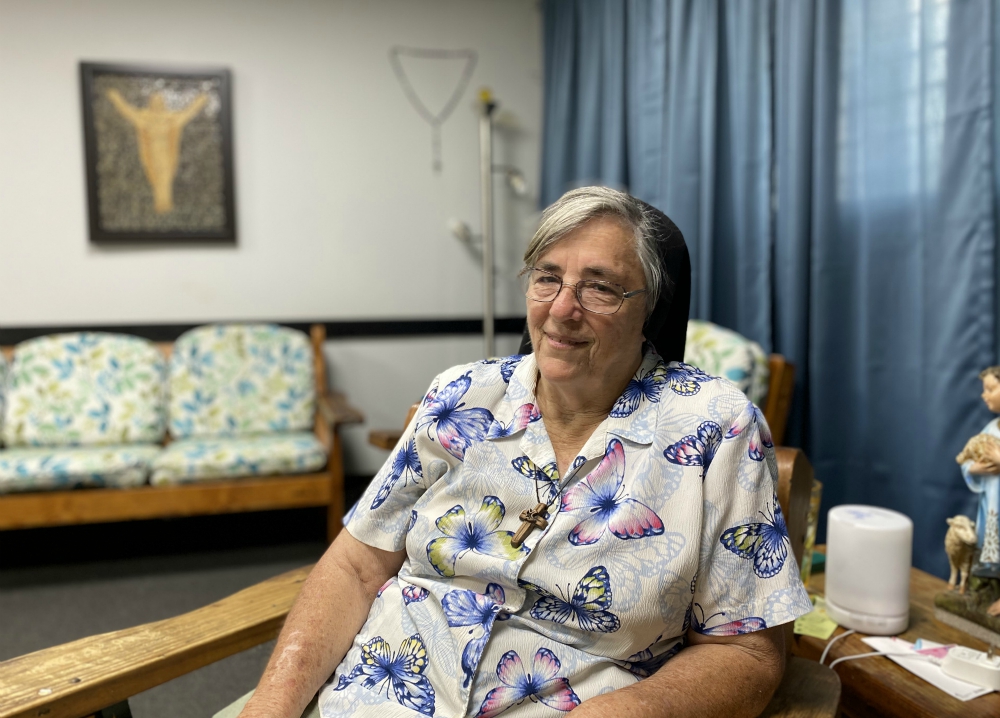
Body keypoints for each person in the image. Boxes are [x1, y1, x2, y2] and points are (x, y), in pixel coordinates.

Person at [224, 187, 812, 718]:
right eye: (547, 277)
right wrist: (270, 707)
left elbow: (748, 654)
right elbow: (355, 567)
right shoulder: (461, 394)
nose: (561, 308)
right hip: (375, 692)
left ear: (650, 307)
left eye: (600, 287)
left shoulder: (714, 427)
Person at [960, 367, 1000, 586]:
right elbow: (968, 456)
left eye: (991, 389)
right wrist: (973, 469)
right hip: (991, 506)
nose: (984, 395)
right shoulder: (991, 429)